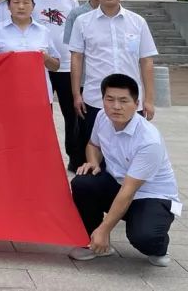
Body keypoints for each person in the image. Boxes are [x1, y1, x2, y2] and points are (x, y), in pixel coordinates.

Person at [69, 73, 179, 267]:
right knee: (83, 182)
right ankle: (94, 243)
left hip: (151, 195)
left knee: (144, 237)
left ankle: (158, 245)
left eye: (123, 101)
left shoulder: (148, 140)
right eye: (110, 99)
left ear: (136, 104)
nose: (116, 106)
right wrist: (93, 162)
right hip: (118, 184)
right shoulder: (102, 117)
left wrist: (105, 229)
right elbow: (93, 145)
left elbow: (128, 191)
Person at [69, 0, 159, 158]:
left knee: (130, 152)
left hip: (130, 100)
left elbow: (146, 61)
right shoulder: (82, 22)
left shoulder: (138, 22)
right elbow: (76, 59)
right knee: (95, 150)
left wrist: (149, 100)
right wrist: (76, 94)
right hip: (95, 99)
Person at [33, 0, 79, 168]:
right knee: (43, 114)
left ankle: (74, 158)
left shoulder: (70, 0)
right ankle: (44, 158)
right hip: (39, 67)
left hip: (67, 65)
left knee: (71, 114)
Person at [0, 0, 60, 102]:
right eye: (16, 2)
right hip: (7, 93)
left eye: (26, 2)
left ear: (33, 6)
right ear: (8, 6)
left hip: (38, 94)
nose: (21, 7)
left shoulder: (43, 31)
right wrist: (2, 60)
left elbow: (56, 66)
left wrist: (46, 58)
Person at [64, 0, 101, 171]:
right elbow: (74, 53)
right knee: (83, 126)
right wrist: (76, 89)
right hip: (86, 81)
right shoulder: (78, 15)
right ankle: (79, 162)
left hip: (109, 84)